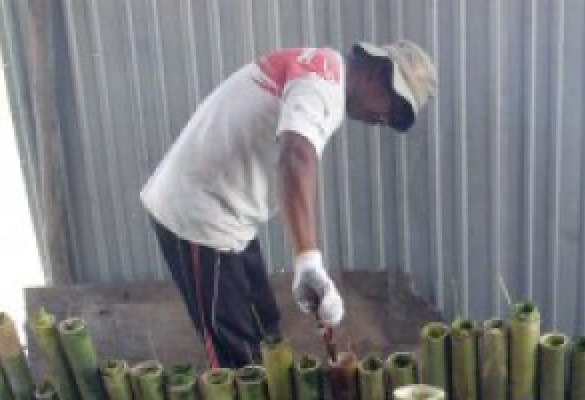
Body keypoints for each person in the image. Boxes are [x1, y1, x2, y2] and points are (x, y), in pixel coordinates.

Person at [140, 41, 437, 368]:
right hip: (198, 214)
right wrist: (309, 261)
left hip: (229, 217)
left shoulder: (322, 76)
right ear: (379, 74)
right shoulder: (322, 79)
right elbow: (296, 155)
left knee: (267, 328)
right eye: (390, 107)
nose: (382, 119)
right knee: (237, 360)